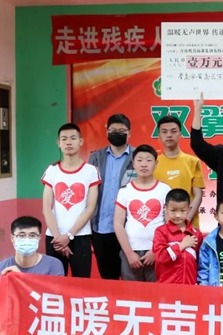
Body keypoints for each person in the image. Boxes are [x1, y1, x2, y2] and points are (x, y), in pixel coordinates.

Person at [41, 123, 101, 278]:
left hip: (80, 237)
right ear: (58, 143)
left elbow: (90, 208)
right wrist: (58, 238)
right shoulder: (52, 170)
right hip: (54, 237)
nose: (68, 142)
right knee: (55, 284)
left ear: (81, 141)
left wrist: (68, 236)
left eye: (73, 138)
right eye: (64, 139)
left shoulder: (91, 171)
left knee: (81, 284)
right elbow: (46, 207)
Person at [114, 145, 171, 282]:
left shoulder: (165, 190)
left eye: (148, 160)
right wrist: (129, 253)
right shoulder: (125, 191)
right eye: (139, 160)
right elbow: (118, 224)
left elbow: (169, 224)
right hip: (130, 251)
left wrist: (156, 251)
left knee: (158, 292)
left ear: (156, 164)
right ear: (133, 164)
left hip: (157, 251)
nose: (144, 164)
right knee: (131, 293)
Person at [89, 113, 135, 280]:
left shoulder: (138, 157)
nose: (117, 134)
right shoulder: (96, 157)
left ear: (129, 133)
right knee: (108, 278)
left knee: (131, 277)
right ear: (107, 132)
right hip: (101, 226)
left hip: (130, 228)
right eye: (113, 130)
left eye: (121, 131)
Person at [154, 115, 205, 230]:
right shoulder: (153, 163)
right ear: (159, 135)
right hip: (160, 227)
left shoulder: (192, 161)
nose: (169, 135)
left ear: (180, 134)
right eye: (164, 132)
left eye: (173, 131)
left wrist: (184, 222)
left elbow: (198, 196)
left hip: (188, 227)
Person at [153, 189, 204, 284]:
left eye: (183, 211)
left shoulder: (196, 233)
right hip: (166, 285)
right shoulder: (161, 231)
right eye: (173, 210)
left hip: (190, 286)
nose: (178, 215)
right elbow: (160, 258)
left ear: (189, 209)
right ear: (165, 208)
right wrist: (181, 246)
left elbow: (200, 262)